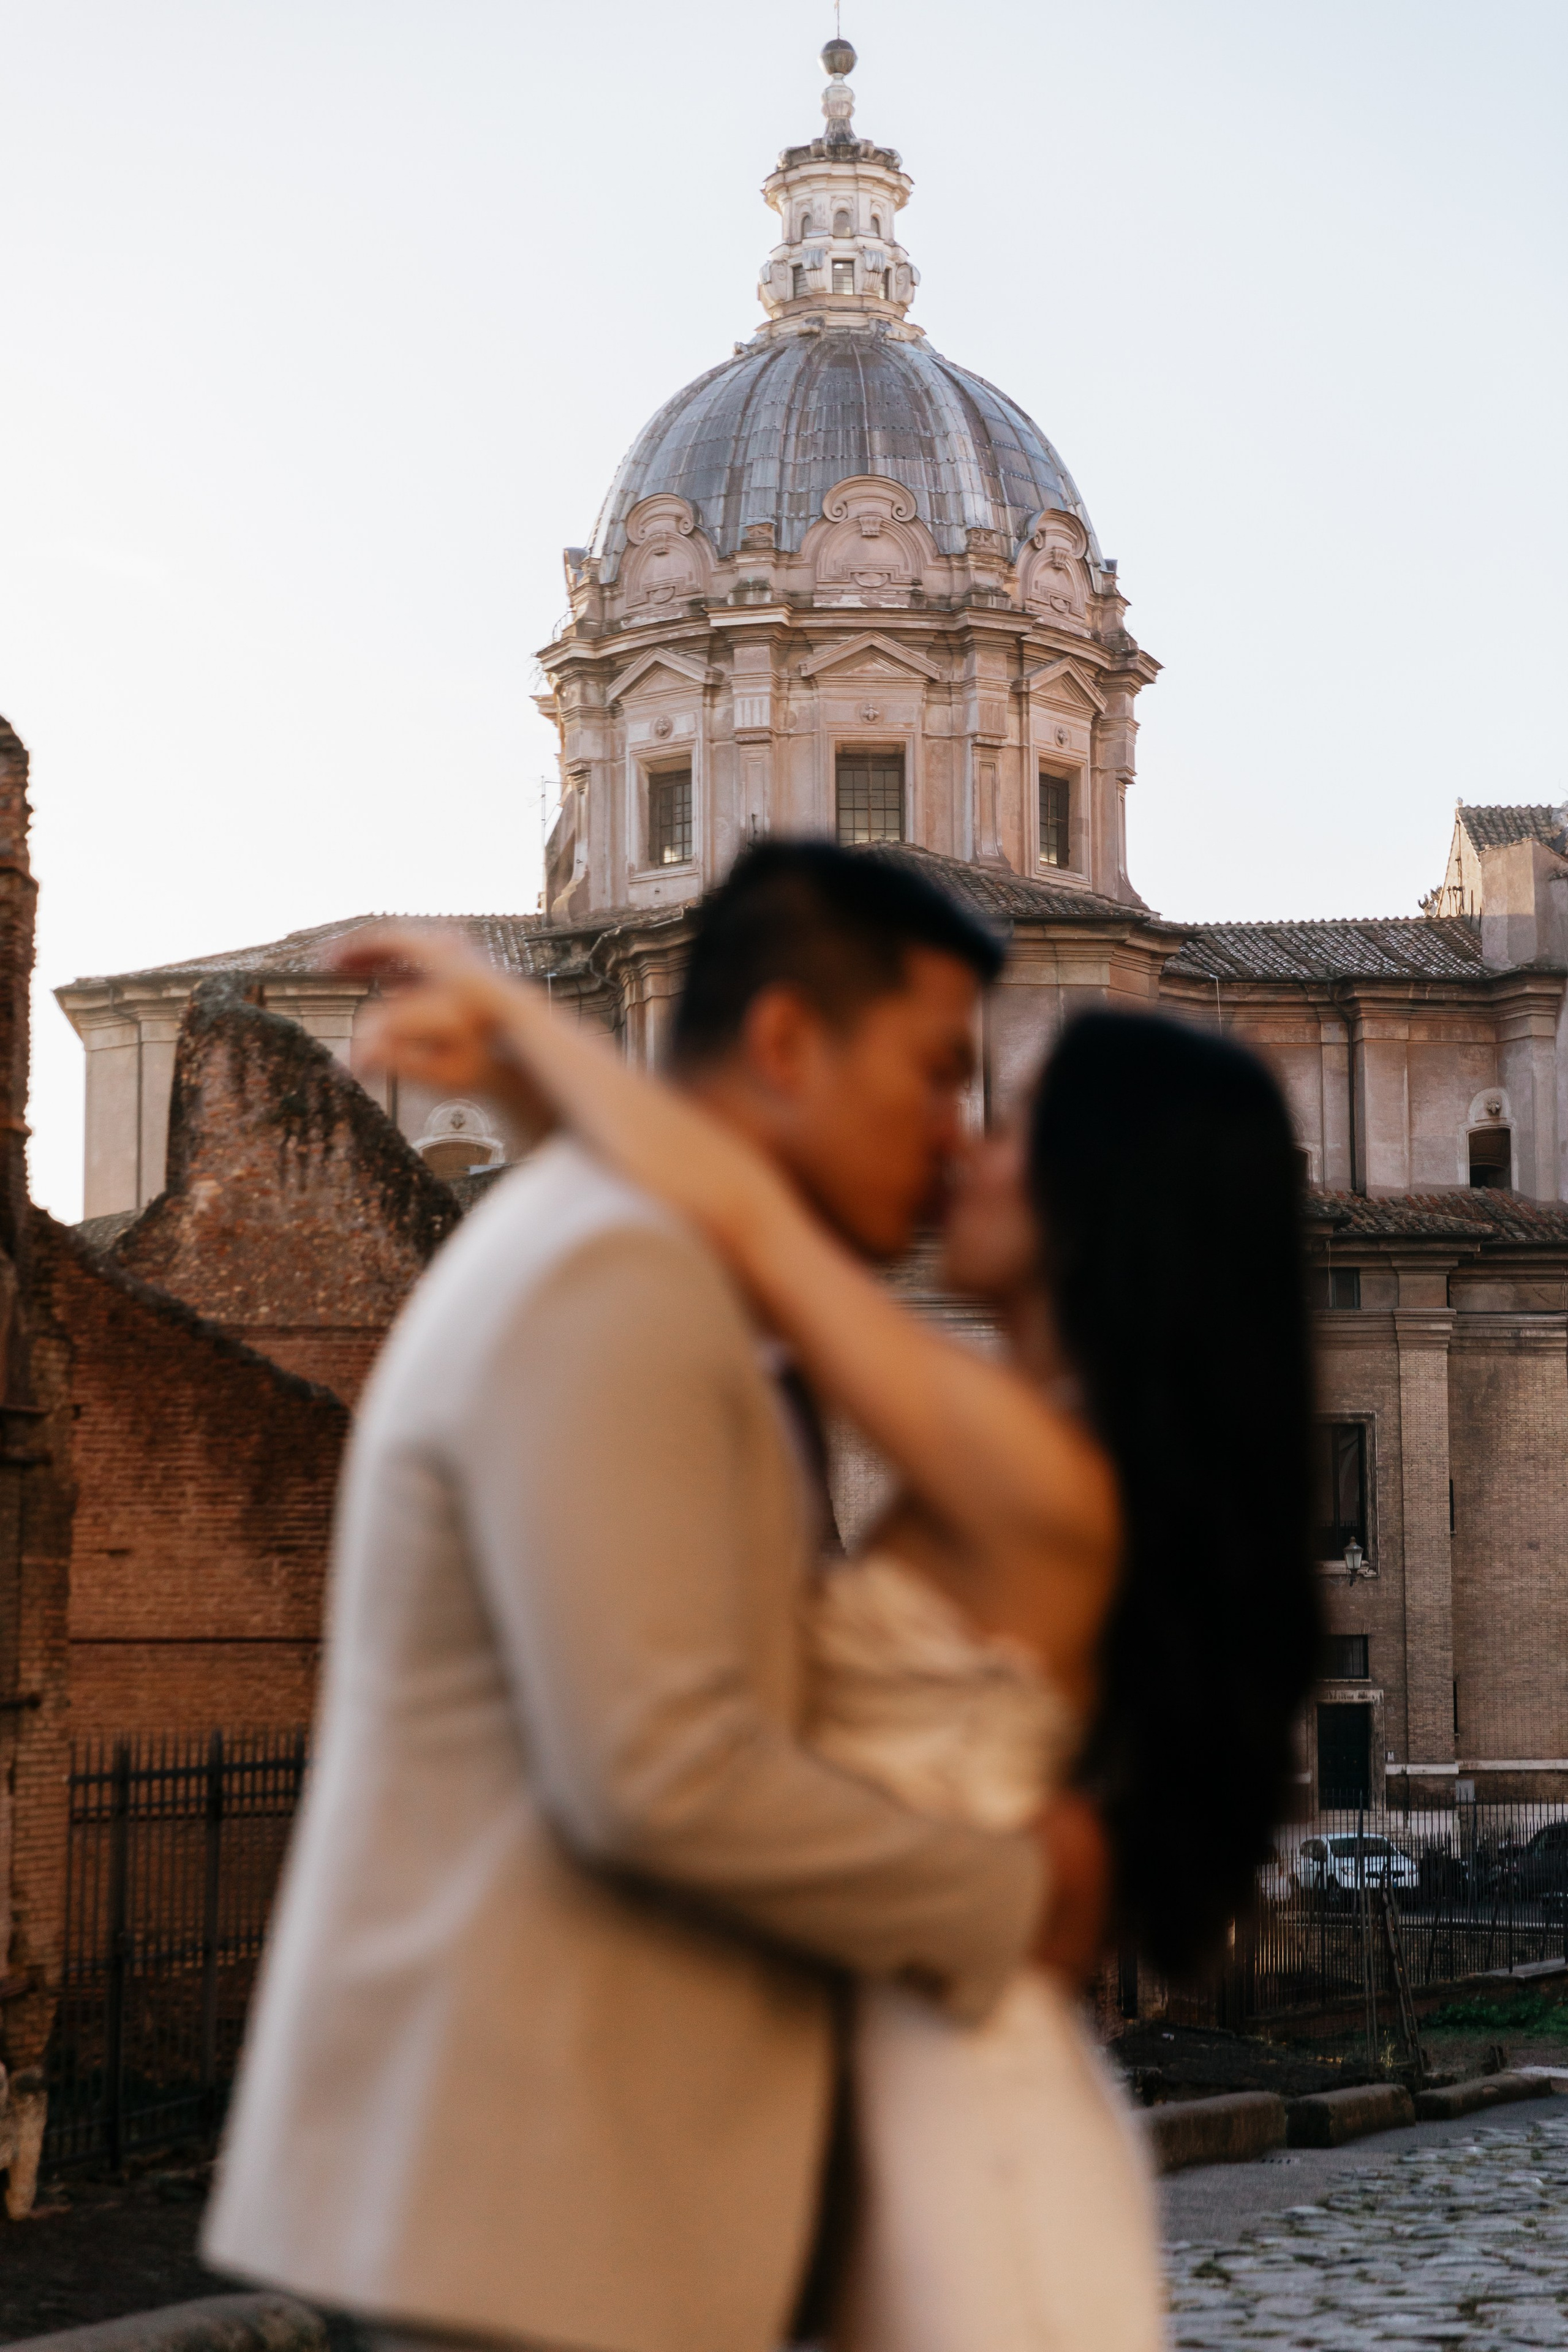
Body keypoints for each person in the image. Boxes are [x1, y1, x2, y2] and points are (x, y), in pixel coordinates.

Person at [336, 849, 1321, 2352]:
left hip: (956, 2128)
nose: (961, 1145)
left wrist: (533, 1050)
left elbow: (745, 1223)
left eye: (1016, 1129)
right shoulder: (1027, 1439)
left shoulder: (1029, 1460)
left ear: (1102, 1208)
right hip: (892, 2087)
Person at [203, 844, 1109, 2352]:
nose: (957, 1139)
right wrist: (1016, 1895)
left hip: (593, 2185)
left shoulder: (647, 1259)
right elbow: (657, 1768)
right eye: (931, 1074)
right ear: (783, 1044)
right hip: (541, 2205)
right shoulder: (615, 1279)